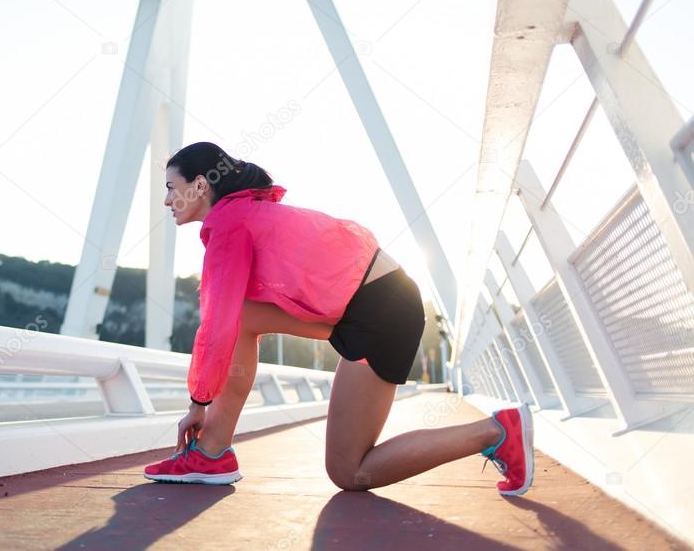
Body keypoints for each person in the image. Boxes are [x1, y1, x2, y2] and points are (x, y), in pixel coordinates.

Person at [142, 142, 533, 495]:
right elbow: (231, 319)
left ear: (199, 186)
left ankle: (497, 431)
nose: (166, 200)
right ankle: (212, 454)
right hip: (377, 301)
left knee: (350, 471)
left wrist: (199, 403)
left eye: (170, 188)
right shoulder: (245, 212)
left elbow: (215, 325)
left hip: (380, 311)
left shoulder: (229, 224)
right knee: (243, 316)